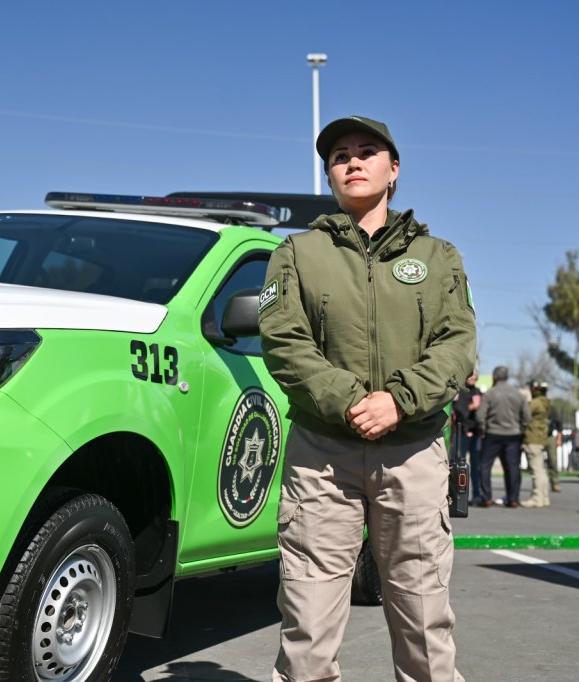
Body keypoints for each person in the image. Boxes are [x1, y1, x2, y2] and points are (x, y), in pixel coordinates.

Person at [259, 115, 475, 682]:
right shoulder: (297, 253)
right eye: (340, 156)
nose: (352, 161)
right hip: (322, 454)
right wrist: (352, 400)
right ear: (329, 175)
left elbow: (457, 345)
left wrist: (399, 401)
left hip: (414, 451)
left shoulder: (439, 256)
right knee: (307, 624)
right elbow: (283, 341)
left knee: (424, 621)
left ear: (393, 169)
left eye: (367, 151)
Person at [475, 366, 530, 507]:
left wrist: (483, 430)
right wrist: (521, 430)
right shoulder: (518, 394)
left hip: (493, 434)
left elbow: (480, 415)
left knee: (485, 465)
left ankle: (486, 498)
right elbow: (527, 417)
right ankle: (513, 499)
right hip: (514, 435)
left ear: (494, 377)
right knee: (512, 467)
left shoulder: (490, 394)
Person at [453, 369, 483, 504]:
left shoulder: (478, 392)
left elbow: (483, 412)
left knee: (476, 465)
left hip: (475, 433)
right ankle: (457, 496)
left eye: (474, 375)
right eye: (470, 375)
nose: (472, 377)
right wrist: (472, 407)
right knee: (459, 464)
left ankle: (477, 495)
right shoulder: (460, 391)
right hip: (462, 433)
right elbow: (459, 410)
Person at [521, 379, 551, 507]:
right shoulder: (545, 402)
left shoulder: (535, 403)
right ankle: (544, 497)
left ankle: (537, 498)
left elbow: (523, 413)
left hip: (533, 438)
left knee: (536, 471)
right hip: (540, 438)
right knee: (541, 470)